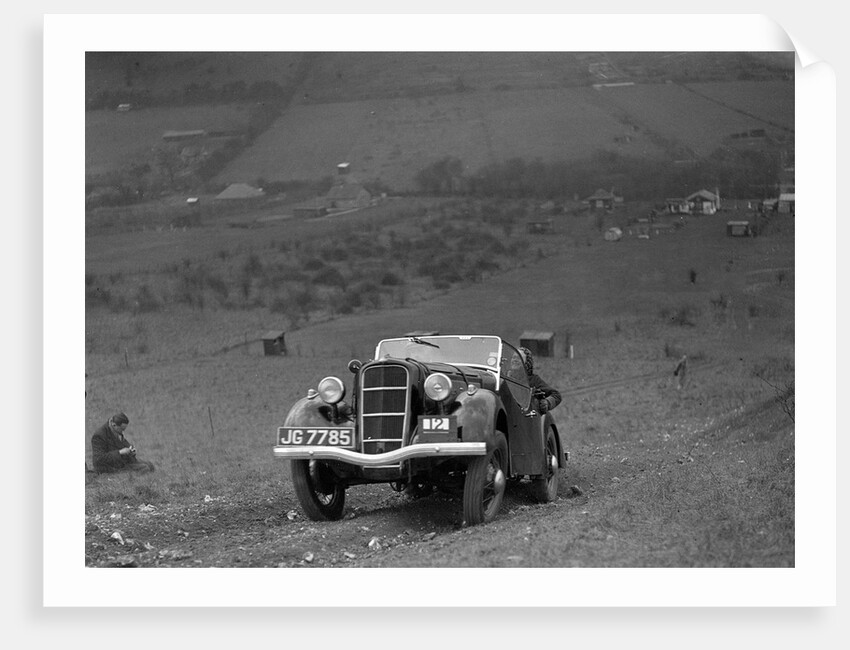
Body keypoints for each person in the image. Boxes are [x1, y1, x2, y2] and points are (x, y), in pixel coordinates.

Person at [91, 412, 155, 474]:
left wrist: (130, 449)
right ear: (114, 425)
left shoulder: (115, 430)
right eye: (122, 429)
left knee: (150, 465)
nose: (123, 432)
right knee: (145, 468)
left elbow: (123, 443)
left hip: (120, 462)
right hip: (108, 467)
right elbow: (98, 459)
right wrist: (119, 452)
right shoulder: (99, 435)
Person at [518, 347, 562, 415]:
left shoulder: (534, 380)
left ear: (527, 363)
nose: (514, 360)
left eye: (518, 358)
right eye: (513, 357)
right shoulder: (505, 376)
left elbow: (556, 395)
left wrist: (547, 403)